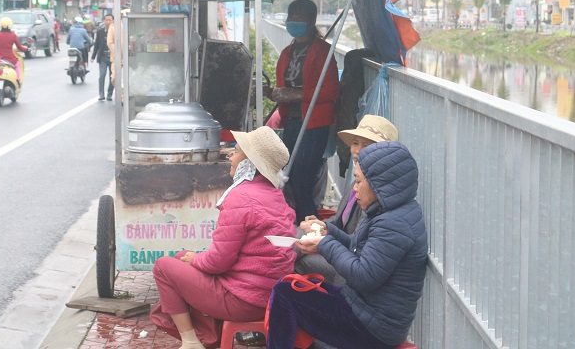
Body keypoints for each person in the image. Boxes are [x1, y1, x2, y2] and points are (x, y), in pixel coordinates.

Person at [265, 140, 427, 349]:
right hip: (364, 309)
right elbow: (359, 248)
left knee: (286, 295)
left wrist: (324, 245)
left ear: (379, 184)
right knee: (291, 287)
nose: (355, 189)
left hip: (372, 327)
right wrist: (328, 230)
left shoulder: (393, 224)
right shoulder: (389, 211)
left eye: (359, 182)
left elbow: (363, 275)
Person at [151, 127, 296, 349]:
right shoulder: (276, 195)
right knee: (181, 258)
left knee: (163, 266)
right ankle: (208, 338)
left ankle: (191, 342)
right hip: (270, 295)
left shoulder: (241, 197)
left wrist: (195, 259)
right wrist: (192, 258)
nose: (230, 157)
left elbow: (218, 262)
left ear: (249, 164)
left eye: (236, 152)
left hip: (244, 300)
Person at [295, 114, 398, 284]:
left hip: (348, 264)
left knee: (298, 254)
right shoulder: (355, 183)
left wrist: (323, 242)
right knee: (299, 232)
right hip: (343, 252)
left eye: (366, 146)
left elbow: (357, 243)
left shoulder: (374, 192)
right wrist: (321, 226)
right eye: (355, 143)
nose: (357, 151)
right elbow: (338, 221)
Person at [263, 0, 341, 222]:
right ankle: (297, 226)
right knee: (286, 178)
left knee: (302, 181)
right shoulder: (287, 52)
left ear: (310, 20)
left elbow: (331, 92)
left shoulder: (323, 51)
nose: (293, 22)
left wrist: (296, 94)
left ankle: (313, 231)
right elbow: (284, 89)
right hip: (293, 122)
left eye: (299, 17)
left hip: (314, 125)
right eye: (291, 17)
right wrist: (272, 93)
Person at [0, 16, 27, 81]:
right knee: (17, 64)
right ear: (10, 26)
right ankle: (18, 78)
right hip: (9, 58)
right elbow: (20, 47)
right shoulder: (13, 35)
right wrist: (25, 48)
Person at [90, 13, 114, 101]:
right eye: (106, 20)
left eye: (109, 20)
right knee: (102, 75)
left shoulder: (116, 32)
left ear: (113, 21)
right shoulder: (100, 32)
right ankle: (101, 94)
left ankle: (109, 94)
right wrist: (93, 56)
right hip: (103, 57)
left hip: (113, 58)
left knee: (112, 77)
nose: (108, 22)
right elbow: (96, 45)